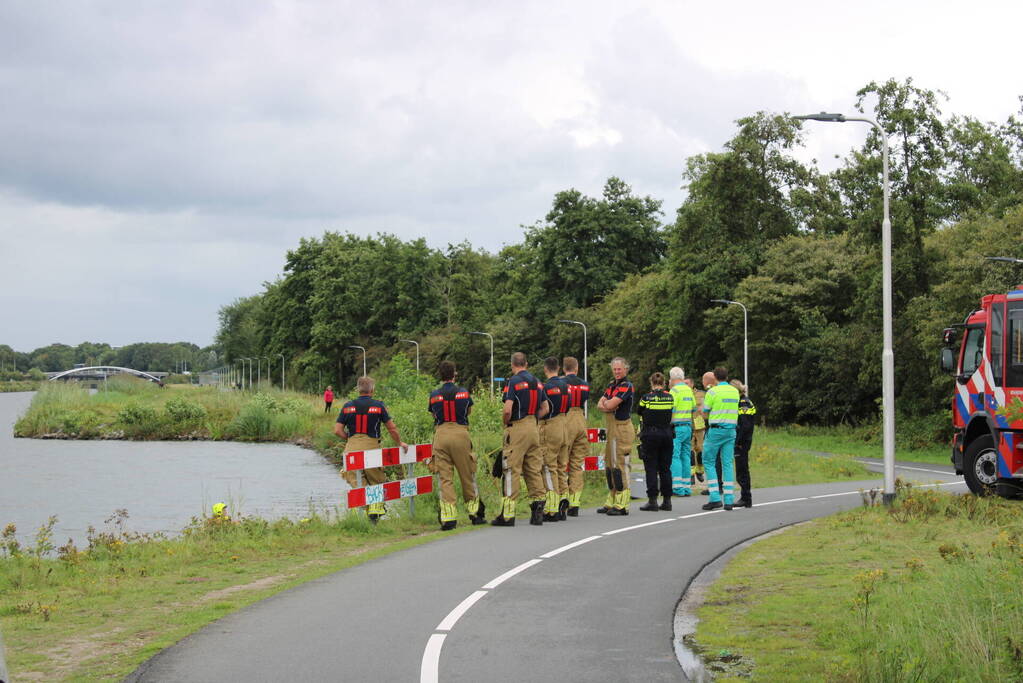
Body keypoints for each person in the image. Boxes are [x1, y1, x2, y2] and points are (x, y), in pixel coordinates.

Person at [335, 376, 408, 523]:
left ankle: (363, 513)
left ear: (358, 389)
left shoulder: (347, 406)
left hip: (352, 447)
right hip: (371, 448)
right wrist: (400, 442)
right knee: (376, 479)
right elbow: (392, 428)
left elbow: (337, 430)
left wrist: (350, 439)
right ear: (372, 390)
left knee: (356, 480)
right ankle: (375, 512)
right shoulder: (379, 406)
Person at [493, 352, 549, 527]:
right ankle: (538, 508)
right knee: (533, 469)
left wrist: (507, 423)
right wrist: (533, 419)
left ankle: (508, 514)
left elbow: (507, 409)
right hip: (534, 427)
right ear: (527, 363)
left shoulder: (514, 382)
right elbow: (545, 408)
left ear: (512, 365)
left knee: (511, 469)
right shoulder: (538, 382)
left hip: (517, 427)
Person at [429, 361, 485, 530]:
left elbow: (433, 414)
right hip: (461, 433)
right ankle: (475, 514)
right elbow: (469, 411)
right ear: (454, 374)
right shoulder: (463, 392)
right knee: (467, 475)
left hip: (441, 435)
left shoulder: (434, 395)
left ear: (440, 375)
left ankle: (448, 518)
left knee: (445, 478)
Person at [596, 357, 635, 516]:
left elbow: (609, 405)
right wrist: (608, 405)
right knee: (609, 465)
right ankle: (611, 500)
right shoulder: (612, 385)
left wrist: (609, 405)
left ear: (625, 369)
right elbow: (600, 404)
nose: (617, 372)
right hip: (611, 429)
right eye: (615, 369)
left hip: (622, 428)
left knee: (620, 465)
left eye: (619, 369)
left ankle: (622, 504)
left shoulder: (627, 386)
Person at [700, 368, 740, 511]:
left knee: (708, 461)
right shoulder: (734, 391)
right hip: (731, 431)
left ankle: (715, 498)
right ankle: (729, 500)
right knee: (727, 463)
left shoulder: (713, 392)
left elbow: (705, 412)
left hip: (716, 430)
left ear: (715, 377)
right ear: (727, 376)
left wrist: (701, 411)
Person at [637, 372, 675, 511]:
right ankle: (667, 500)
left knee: (651, 468)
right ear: (664, 383)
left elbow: (639, 411)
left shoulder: (646, 398)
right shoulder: (670, 398)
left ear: (651, 383)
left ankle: (652, 500)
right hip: (667, 434)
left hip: (651, 435)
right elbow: (670, 412)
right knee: (665, 468)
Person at [540, 357, 569, 522]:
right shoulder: (567, 387)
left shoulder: (546, 387)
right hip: (565, 424)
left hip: (551, 425)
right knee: (560, 467)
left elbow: (544, 408)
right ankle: (563, 502)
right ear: (558, 368)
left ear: (545, 369)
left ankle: (551, 508)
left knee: (549, 466)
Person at [560, 356, 590, 517]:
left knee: (562, 461)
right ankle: (575, 502)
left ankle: (563, 499)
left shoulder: (561, 383)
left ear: (564, 368)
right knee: (577, 464)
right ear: (577, 368)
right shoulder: (585, 385)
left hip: (567, 417)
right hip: (581, 418)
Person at [669, 367, 696, 496]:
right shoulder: (688, 390)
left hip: (676, 427)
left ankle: (677, 487)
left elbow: (671, 410)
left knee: (675, 456)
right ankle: (686, 487)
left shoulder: (674, 391)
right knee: (686, 456)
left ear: (672, 378)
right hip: (688, 426)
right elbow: (693, 408)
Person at [731, 379, 757, 508]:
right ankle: (745, 496)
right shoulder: (745, 401)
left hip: (742, 442)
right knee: (741, 469)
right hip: (744, 440)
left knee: (742, 470)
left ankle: (746, 497)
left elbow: (745, 425)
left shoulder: (743, 403)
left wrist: (738, 442)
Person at [690, 381, 708, 494]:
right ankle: (690, 475)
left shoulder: (702, 394)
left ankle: (700, 470)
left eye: (687, 383)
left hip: (700, 426)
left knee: (700, 449)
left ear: (692, 383)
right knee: (690, 450)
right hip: (688, 425)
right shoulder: (683, 394)